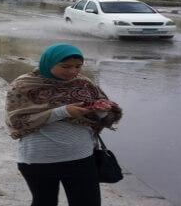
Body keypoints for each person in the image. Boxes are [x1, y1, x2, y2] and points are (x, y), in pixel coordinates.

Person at [6, 43, 123, 206]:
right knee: (44, 202)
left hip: (81, 157)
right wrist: (65, 111)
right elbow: (17, 121)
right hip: (39, 160)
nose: (73, 72)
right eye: (65, 66)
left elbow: (98, 118)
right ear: (49, 63)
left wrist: (102, 110)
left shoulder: (84, 83)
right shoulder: (23, 85)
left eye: (78, 66)